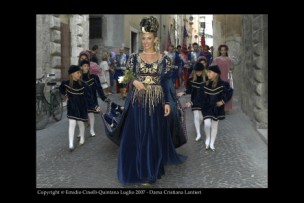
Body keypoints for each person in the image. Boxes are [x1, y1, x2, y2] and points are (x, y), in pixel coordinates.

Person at [117, 16, 186, 185]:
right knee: (136, 134)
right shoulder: (133, 58)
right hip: (137, 101)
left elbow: (167, 83)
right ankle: (137, 168)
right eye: (143, 38)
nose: (145, 41)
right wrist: (134, 81)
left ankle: (150, 171)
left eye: (149, 38)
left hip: (156, 102)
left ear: (155, 39)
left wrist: (168, 103)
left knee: (152, 135)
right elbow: (126, 77)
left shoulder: (165, 60)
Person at [59, 65, 100, 152]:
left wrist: (95, 107)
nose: (80, 75)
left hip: (82, 107)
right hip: (72, 107)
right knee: (72, 123)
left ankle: (82, 137)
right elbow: (61, 89)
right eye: (78, 73)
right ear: (72, 74)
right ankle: (71, 144)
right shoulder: (66, 83)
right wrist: (65, 95)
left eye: (80, 73)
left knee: (81, 123)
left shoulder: (84, 85)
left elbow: (90, 98)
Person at [199, 65, 233, 151]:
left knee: (214, 125)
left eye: (210, 72)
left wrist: (222, 101)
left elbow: (229, 92)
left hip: (217, 108)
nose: (208, 73)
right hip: (207, 107)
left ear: (216, 74)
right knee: (207, 124)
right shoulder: (205, 84)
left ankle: (212, 143)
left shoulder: (223, 84)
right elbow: (200, 96)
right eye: (208, 72)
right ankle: (207, 138)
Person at [177, 62, 208, 141]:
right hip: (194, 100)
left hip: (203, 101)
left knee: (201, 118)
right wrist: (183, 93)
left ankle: (199, 128)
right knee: (197, 116)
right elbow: (190, 90)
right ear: (194, 71)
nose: (199, 73)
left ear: (203, 71)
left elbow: (203, 93)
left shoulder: (207, 79)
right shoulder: (191, 80)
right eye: (197, 71)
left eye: (200, 71)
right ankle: (198, 134)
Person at [79, 60, 109, 137]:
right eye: (84, 66)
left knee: (91, 114)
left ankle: (92, 130)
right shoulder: (78, 78)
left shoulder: (94, 77)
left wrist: (104, 98)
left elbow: (99, 88)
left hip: (92, 99)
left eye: (87, 66)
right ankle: (80, 132)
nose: (86, 67)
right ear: (81, 67)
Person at [212, 44, 234, 113]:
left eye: (224, 50)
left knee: (226, 93)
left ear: (226, 50)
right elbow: (214, 69)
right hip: (219, 79)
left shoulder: (229, 60)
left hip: (227, 79)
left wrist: (231, 69)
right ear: (220, 51)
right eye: (222, 50)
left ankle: (226, 108)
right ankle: (218, 108)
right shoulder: (216, 59)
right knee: (219, 93)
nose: (223, 51)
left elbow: (231, 69)